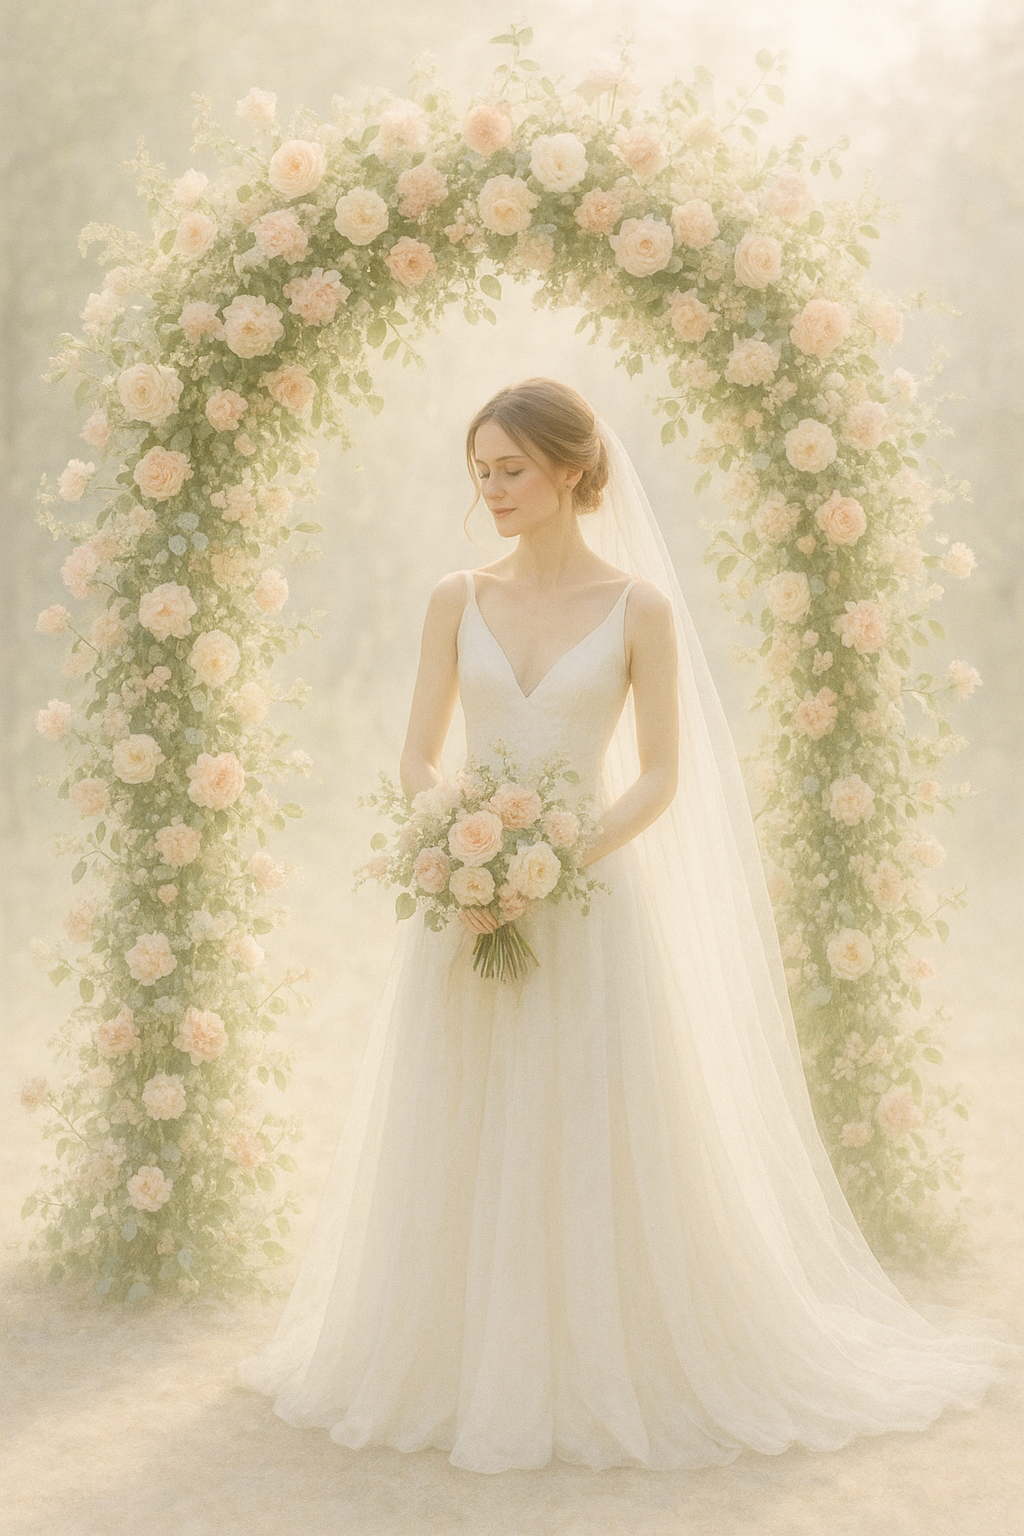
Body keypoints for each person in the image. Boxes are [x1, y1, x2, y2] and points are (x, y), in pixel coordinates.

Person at [238, 377, 1016, 1473]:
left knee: (591, 1118)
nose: (492, 490)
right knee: (465, 1112)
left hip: (588, 904)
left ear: (569, 470)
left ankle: (600, 1355)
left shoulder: (638, 607)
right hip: (466, 906)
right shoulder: (455, 598)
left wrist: (554, 859)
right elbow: (417, 755)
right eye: (481, 473)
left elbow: (658, 775)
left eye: (511, 469)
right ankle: (463, 1358)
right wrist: (461, 843)